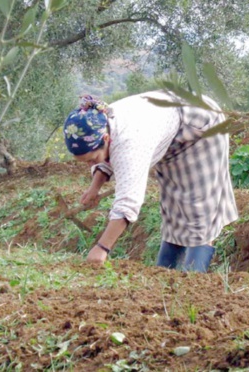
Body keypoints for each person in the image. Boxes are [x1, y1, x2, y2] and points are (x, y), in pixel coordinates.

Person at [62, 90, 238, 273]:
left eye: (92, 159)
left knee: (199, 210)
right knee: (173, 208)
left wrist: (102, 248)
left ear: (106, 139)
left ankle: (194, 281)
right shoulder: (102, 123)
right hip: (170, 129)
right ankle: (163, 276)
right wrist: (94, 188)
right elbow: (106, 157)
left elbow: (128, 203)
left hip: (201, 125)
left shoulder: (129, 144)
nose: (91, 164)